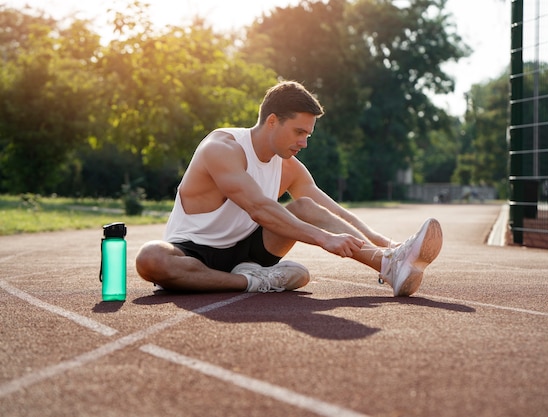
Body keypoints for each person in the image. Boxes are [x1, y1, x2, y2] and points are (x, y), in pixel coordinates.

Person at [136, 81, 443, 296]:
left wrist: (382, 242)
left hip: (251, 249)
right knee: (150, 258)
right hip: (193, 252)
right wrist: (324, 240)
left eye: (308, 135)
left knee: (305, 208)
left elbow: (328, 209)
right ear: (272, 120)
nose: (304, 142)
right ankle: (254, 282)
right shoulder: (222, 148)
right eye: (298, 132)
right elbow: (259, 208)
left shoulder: (287, 165)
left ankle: (389, 265)